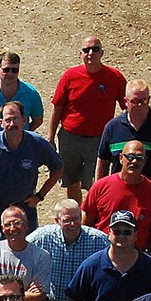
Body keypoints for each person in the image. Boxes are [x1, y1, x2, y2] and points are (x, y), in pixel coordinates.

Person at [49, 34, 128, 196]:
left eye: (95, 49)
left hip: (99, 140)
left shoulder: (115, 77)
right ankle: (76, 218)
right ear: (80, 54)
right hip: (70, 139)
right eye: (86, 50)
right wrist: (50, 137)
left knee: (96, 184)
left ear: (102, 53)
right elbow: (57, 107)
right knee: (71, 183)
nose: (91, 53)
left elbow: (127, 108)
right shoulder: (70, 76)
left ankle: (92, 219)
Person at [64, 209, 151, 301]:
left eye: (127, 232)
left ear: (135, 235)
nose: (121, 236)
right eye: (117, 231)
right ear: (109, 234)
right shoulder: (92, 265)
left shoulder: (149, 267)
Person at [0, 100, 61, 213]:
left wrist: (39, 196)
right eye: (8, 120)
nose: (12, 124)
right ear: (1, 123)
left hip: (25, 208)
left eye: (15, 119)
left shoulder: (37, 143)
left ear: (24, 120)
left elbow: (58, 168)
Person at [95, 80, 151, 202]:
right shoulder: (113, 127)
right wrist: (99, 191)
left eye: (143, 101)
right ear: (125, 101)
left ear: (149, 99)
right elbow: (103, 162)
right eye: (134, 101)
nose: (139, 106)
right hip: (119, 196)